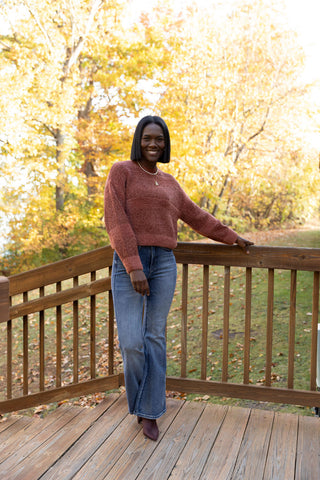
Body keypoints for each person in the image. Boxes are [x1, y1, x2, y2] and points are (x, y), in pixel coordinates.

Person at [104, 115, 253, 441]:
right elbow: (115, 221)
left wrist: (232, 237)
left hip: (164, 264)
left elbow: (197, 216)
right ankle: (144, 404)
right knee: (131, 343)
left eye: (159, 139)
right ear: (138, 140)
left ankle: (150, 411)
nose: (153, 144)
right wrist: (133, 264)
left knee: (154, 336)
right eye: (147, 138)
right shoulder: (122, 172)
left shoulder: (170, 182)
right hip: (130, 263)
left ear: (165, 143)